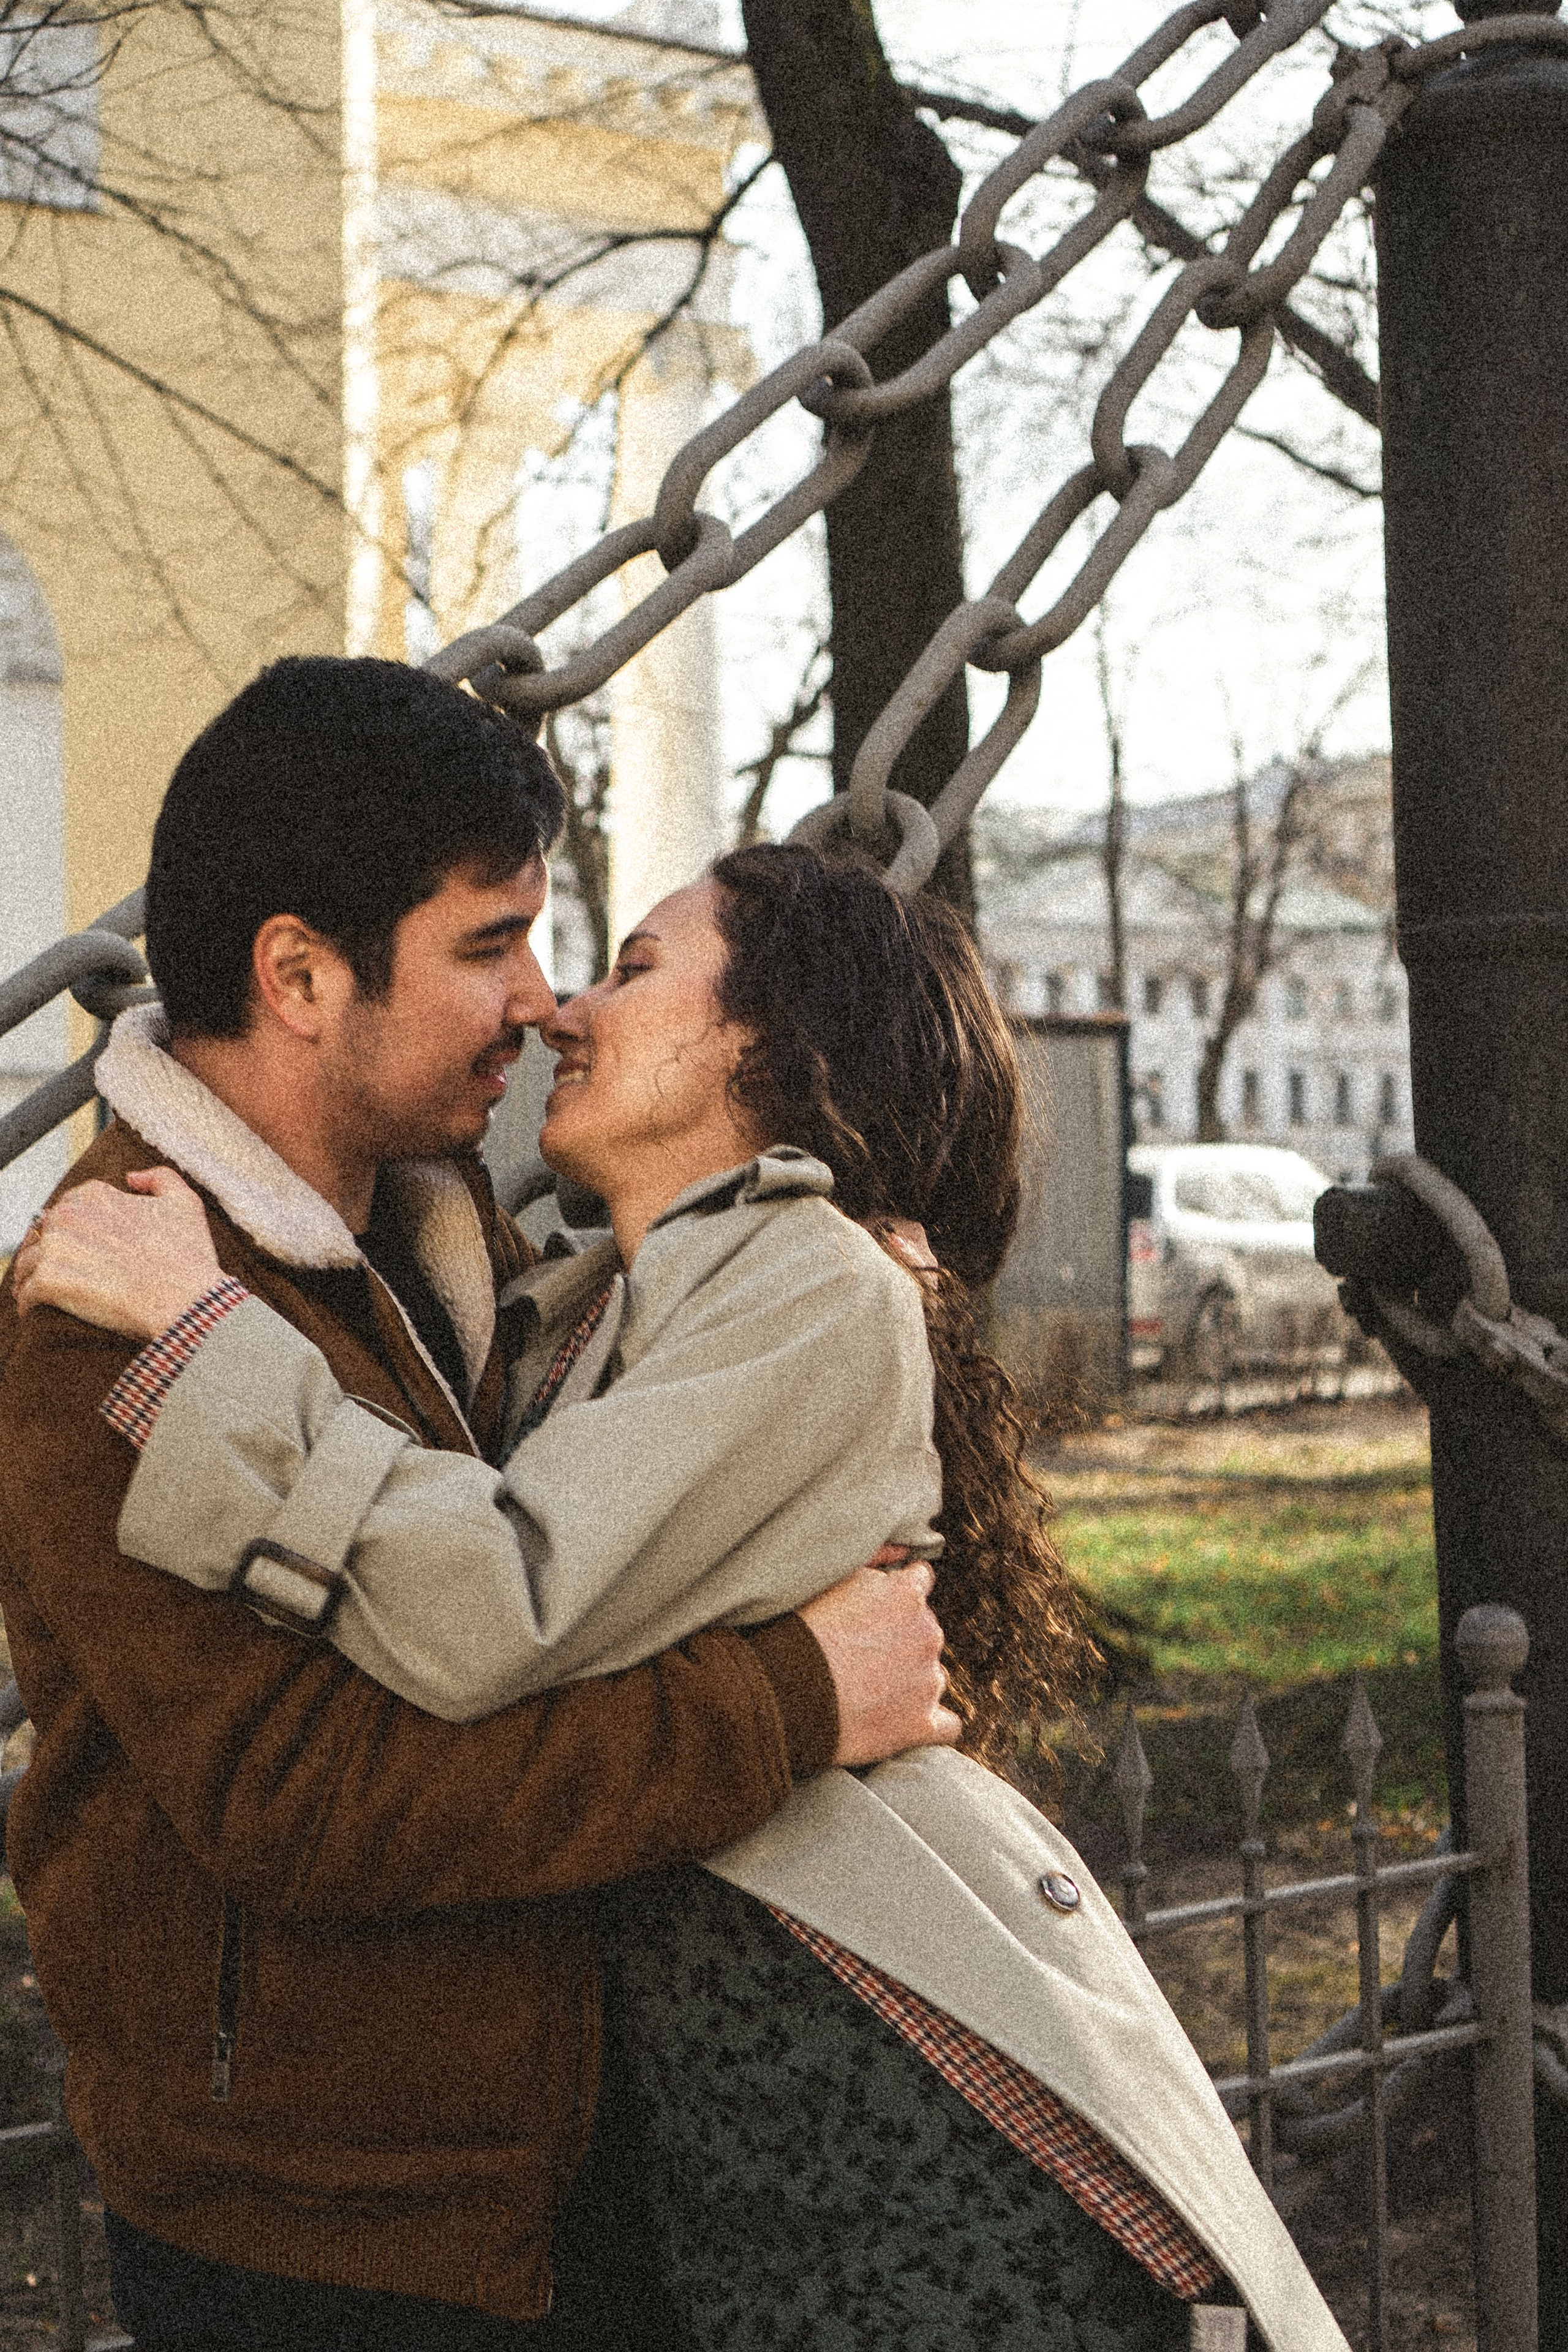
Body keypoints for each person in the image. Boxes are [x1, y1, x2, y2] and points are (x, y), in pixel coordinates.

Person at [20, 845, 1351, 2352]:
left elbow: (496, 1598)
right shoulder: (594, 1301)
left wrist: (205, 1335)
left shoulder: (815, 1281)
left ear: (768, 1047)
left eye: (634, 969)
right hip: (718, 2104)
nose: (565, 1012)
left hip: (854, 2083)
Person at [0, 660, 955, 2352]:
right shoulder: (104, 1308)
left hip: (556, 2172)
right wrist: (795, 1697)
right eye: (485, 943)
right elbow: (320, 1806)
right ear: (299, 971)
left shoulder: (456, 1244)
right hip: (314, 2233)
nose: (541, 998)